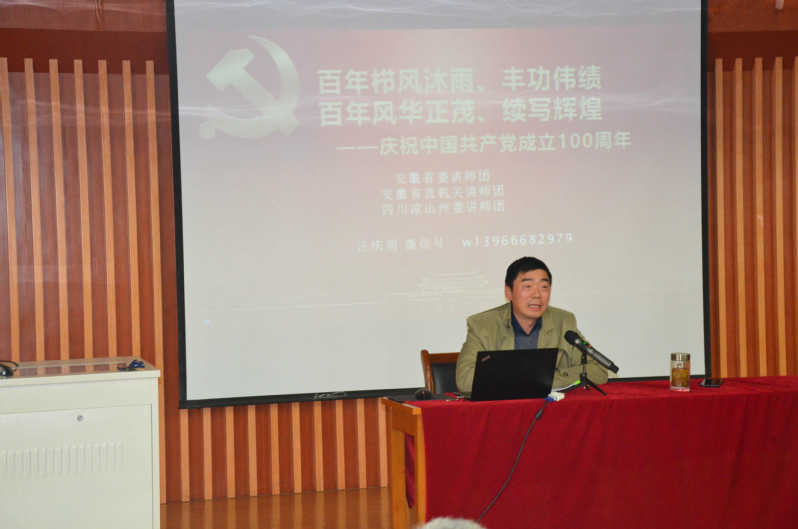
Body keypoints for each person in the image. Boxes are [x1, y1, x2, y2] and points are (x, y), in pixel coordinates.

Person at [455, 256, 608, 394]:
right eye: (528, 286)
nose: (537, 295)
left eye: (544, 287)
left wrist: (548, 378)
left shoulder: (563, 321)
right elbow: (465, 380)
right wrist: (533, 379)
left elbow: (598, 371)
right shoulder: (482, 324)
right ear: (509, 292)